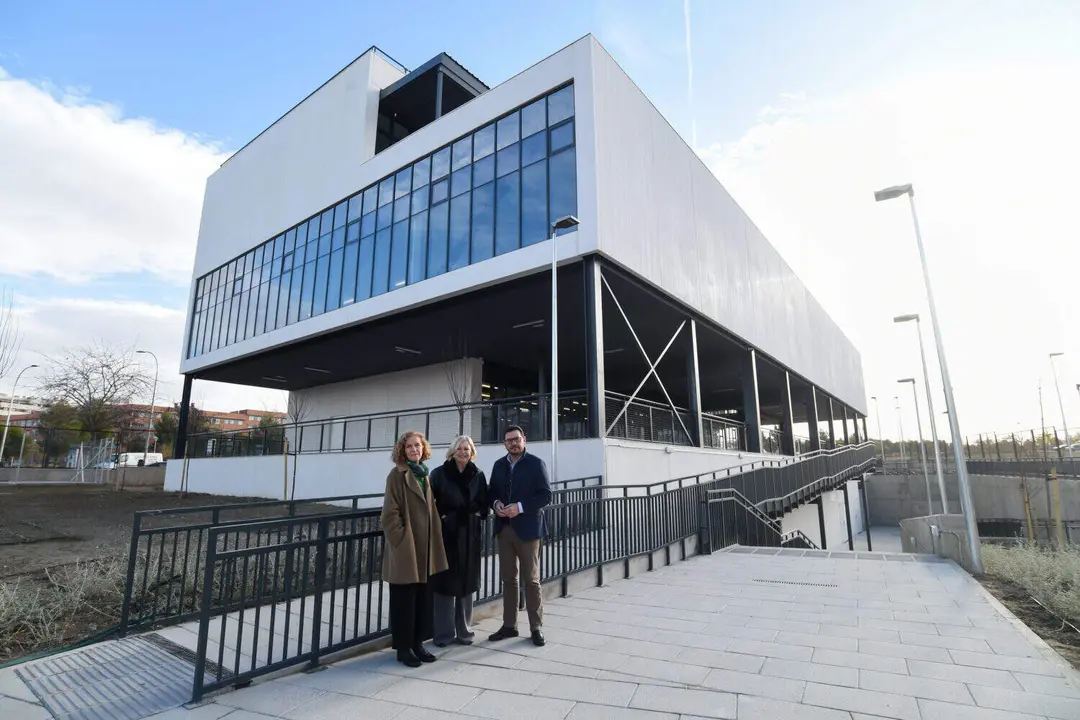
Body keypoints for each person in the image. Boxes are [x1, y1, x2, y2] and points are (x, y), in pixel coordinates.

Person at [380, 430, 449, 667]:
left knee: (422, 598)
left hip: (425, 547)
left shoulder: (423, 474)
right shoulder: (397, 475)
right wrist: (401, 540)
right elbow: (389, 514)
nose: (414, 450)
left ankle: (417, 643)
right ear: (402, 450)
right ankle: (403, 648)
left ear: (423, 448)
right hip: (406, 548)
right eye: (409, 446)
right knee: (404, 600)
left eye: (417, 445)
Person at [487, 425, 552, 646]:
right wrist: (496, 503)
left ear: (524, 439)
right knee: (508, 580)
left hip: (529, 530)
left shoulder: (536, 463)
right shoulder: (499, 465)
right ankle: (509, 626)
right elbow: (492, 492)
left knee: (531, 581)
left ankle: (536, 627)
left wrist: (520, 507)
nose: (513, 443)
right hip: (504, 529)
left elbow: (546, 495)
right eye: (509, 440)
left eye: (516, 439)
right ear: (504, 443)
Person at [429, 435, 489, 647]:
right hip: (446, 535)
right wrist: (444, 517)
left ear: (472, 452)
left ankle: (464, 632)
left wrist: (476, 515)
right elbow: (430, 504)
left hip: (469, 536)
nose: (463, 452)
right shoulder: (439, 473)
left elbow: (484, 502)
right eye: (460, 448)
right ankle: (443, 634)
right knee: (444, 585)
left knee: (466, 585)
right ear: (452, 451)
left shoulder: (478, 474)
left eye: (467, 448)